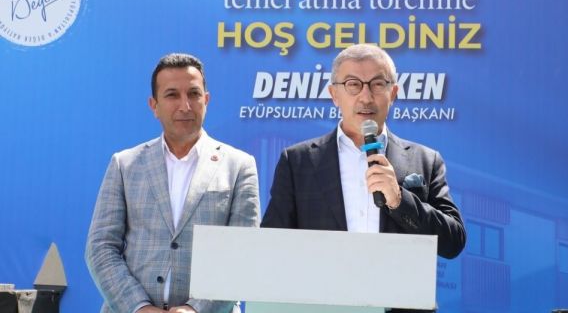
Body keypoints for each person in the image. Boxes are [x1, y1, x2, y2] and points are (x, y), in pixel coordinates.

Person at [262, 44, 466, 311]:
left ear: (393, 93)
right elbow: (272, 248)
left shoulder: (426, 160)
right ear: (334, 94)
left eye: (377, 84)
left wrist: (399, 200)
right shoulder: (297, 161)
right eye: (353, 84)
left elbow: (453, 242)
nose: (366, 97)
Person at [86, 53, 260, 313]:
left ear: (206, 100)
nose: (185, 105)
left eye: (193, 94)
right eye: (172, 95)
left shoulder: (238, 166)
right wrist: (139, 307)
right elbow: (101, 247)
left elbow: (242, 251)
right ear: (154, 105)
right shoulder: (125, 164)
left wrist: (194, 309)